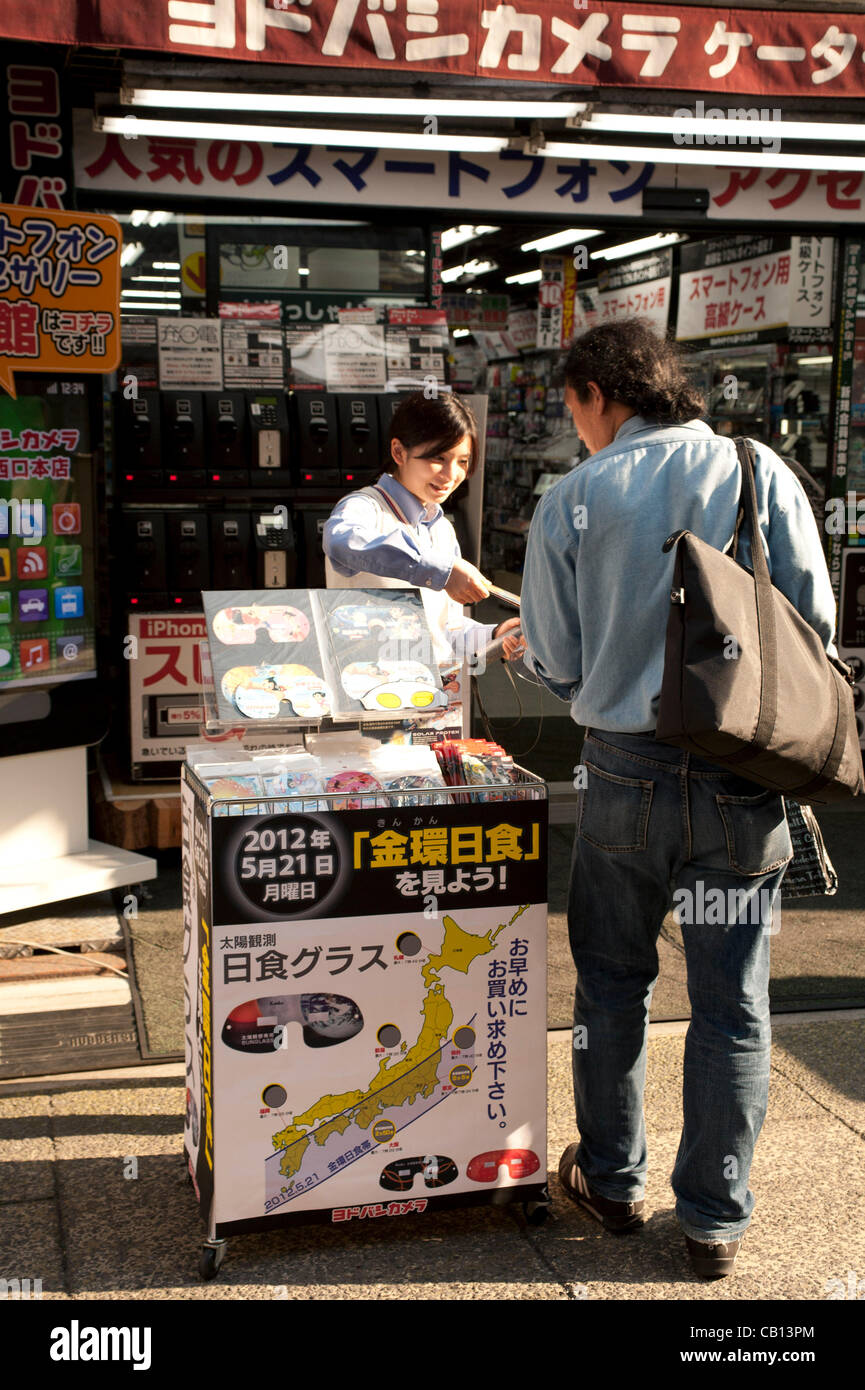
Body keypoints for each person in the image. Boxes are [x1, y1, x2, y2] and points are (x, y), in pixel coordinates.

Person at [520, 318, 838, 1279]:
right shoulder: (757, 469)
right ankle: (711, 1220)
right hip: (744, 775)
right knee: (732, 1002)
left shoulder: (571, 498)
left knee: (612, 984)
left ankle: (612, 1185)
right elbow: (813, 621)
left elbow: (556, 659)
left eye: (573, 407)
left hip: (622, 773)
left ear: (595, 398)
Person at [323, 390, 523, 668]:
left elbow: (447, 631)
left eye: (462, 462)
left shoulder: (441, 529)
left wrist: (493, 637)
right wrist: (439, 570)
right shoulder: (363, 507)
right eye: (438, 458)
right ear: (399, 452)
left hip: (435, 699)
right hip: (369, 695)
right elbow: (341, 543)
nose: (451, 475)